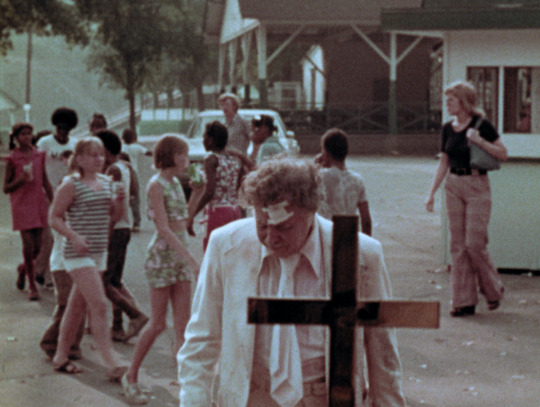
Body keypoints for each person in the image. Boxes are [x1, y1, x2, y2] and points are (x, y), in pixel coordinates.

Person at [177, 157, 406, 407]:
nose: (271, 238)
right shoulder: (227, 246)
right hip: (252, 394)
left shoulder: (361, 254)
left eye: (284, 227)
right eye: (262, 225)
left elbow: (383, 352)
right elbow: (201, 340)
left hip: (325, 395)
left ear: (311, 211)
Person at [121, 135, 200, 405]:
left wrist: (197, 192)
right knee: (158, 323)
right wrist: (191, 259)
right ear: (172, 155)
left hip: (179, 254)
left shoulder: (176, 183)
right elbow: (163, 228)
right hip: (162, 256)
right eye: (183, 154)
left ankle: (186, 385)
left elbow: (182, 222)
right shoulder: (156, 185)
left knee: (183, 325)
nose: (187, 159)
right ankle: (130, 376)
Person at [425, 80, 507, 317]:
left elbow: (503, 154)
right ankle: (463, 301)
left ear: (463, 102)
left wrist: (479, 140)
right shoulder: (447, 129)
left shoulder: (482, 125)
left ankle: (493, 289)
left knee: (474, 244)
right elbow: (444, 162)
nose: (447, 104)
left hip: (477, 184)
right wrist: (431, 193)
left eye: (451, 99)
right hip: (453, 184)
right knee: (458, 246)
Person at [49, 136, 127, 378]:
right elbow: (54, 217)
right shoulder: (70, 184)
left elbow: (115, 215)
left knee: (76, 307)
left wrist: (120, 200)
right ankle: (110, 361)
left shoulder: (106, 182)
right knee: (99, 305)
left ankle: (60, 356)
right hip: (77, 253)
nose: (99, 159)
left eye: (101, 154)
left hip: (99, 252)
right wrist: (74, 237)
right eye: (93, 155)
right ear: (80, 158)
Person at [39, 107, 86, 360]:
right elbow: (39, 170)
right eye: (59, 128)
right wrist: (48, 193)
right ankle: (54, 343)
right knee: (69, 301)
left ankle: (71, 345)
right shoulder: (45, 144)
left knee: (78, 300)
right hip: (50, 195)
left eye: (66, 129)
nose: (62, 132)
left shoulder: (75, 146)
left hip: (67, 195)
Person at [95, 130, 148, 342]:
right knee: (115, 280)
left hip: (114, 228)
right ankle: (117, 327)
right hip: (123, 227)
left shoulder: (113, 170)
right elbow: (133, 191)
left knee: (103, 281)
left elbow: (114, 204)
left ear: (105, 150)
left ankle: (134, 314)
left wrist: (106, 233)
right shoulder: (125, 166)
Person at [3, 123, 53, 300]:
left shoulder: (39, 155)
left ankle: (23, 269)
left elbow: (45, 179)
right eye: (23, 134)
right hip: (21, 205)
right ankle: (32, 287)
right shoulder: (13, 159)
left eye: (29, 133)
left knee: (38, 248)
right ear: (16, 138)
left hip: (38, 202)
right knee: (28, 246)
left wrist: (54, 200)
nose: (26, 137)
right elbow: (6, 188)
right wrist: (21, 180)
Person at [186, 121, 248, 250]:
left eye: (204, 136)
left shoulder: (211, 159)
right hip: (234, 210)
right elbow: (237, 187)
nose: (203, 140)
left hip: (217, 212)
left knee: (213, 251)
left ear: (210, 140)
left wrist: (192, 215)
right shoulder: (235, 160)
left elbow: (210, 191)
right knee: (230, 251)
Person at [315, 128, 372, 236]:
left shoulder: (319, 177)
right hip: (348, 237)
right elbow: (366, 220)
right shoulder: (357, 180)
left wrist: (316, 166)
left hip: (326, 234)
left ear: (326, 153)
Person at [121, 128, 151, 232]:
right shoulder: (136, 147)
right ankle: (136, 222)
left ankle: (123, 222)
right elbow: (147, 152)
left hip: (122, 172)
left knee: (123, 197)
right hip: (133, 173)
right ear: (133, 138)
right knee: (135, 198)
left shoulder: (121, 147)